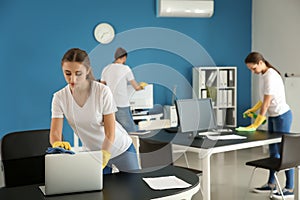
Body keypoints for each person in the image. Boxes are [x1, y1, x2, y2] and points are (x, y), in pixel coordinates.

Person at [49, 48, 139, 174]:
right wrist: (57, 143)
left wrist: (105, 153)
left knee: (134, 188)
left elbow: (110, 132)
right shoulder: (59, 97)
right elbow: (55, 132)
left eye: (78, 73)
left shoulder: (102, 92)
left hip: (121, 148)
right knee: (101, 192)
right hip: (94, 154)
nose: (72, 80)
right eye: (68, 73)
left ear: (87, 71)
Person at [243, 52, 293, 199]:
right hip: (273, 116)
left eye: (253, 69)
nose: (253, 72)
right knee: (273, 152)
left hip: (282, 116)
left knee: (284, 153)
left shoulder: (271, 76)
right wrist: (254, 109)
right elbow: (263, 99)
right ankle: (271, 183)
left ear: (260, 63)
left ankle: (290, 188)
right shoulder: (263, 75)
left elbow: (266, 104)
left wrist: (256, 123)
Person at [100, 47, 147, 132]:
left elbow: (102, 87)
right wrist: (142, 86)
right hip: (121, 104)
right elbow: (136, 87)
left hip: (109, 104)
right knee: (130, 131)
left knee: (114, 130)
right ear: (124, 57)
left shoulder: (106, 69)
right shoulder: (125, 69)